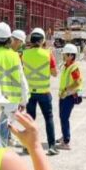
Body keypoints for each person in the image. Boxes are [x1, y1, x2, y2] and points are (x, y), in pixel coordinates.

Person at [0, 22, 29, 147]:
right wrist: (24, 101)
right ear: (9, 39)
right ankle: (3, 158)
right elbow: (22, 79)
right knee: (3, 135)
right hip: (12, 102)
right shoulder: (15, 56)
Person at [22, 28, 59, 156]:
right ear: (43, 40)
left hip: (30, 93)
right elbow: (55, 73)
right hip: (44, 92)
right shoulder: (48, 54)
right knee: (48, 118)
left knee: (30, 120)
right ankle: (52, 146)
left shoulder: (24, 54)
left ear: (30, 41)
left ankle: (27, 147)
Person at [57, 44, 82, 150]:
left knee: (64, 118)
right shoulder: (67, 66)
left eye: (65, 55)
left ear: (71, 56)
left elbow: (77, 82)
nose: (63, 56)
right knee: (62, 117)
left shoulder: (73, 68)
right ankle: (64, 136)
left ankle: (66, 142)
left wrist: (66, 90)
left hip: (69, 96)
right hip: (64, 96)